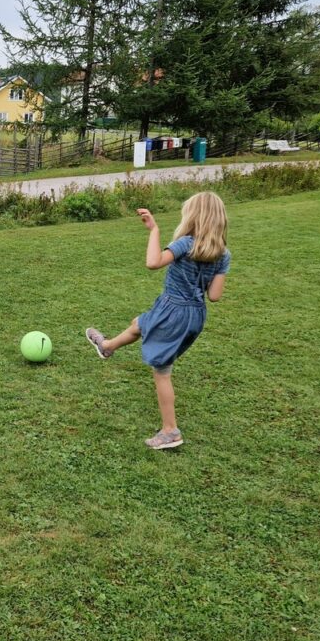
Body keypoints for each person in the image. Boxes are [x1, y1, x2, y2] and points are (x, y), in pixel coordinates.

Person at [85, 192, 230, 450]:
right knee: (140, 324)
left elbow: (153, 263)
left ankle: (170, 430)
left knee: (162, 371)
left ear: (193, 216)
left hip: (172, 310)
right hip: (195, 314)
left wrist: (154, 231)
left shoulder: (186, 244)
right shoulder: (223, 254)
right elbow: (215, 296)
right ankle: (106, 347)